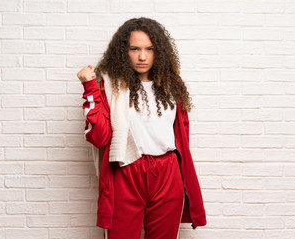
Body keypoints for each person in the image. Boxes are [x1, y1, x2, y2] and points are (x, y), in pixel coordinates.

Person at [77, 17, 206, 239]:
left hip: (167, 171)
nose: (142, 56)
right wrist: (89, 87)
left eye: (149, 49)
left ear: (160, 52)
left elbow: (181, 137)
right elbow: (99, 137)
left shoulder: (172, 86)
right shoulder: (109, 85)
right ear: (122, 52)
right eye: (134, 49)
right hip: (126, 169)